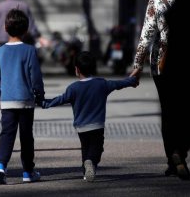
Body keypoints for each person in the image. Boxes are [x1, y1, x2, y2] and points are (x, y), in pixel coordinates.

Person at [129, 0, 190, 180]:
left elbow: (146, 36)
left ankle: (173, 157)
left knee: (168, 110)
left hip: (162, 64)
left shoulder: (158, 0)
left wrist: (137, 66)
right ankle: (180, 153)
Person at [41, 51, 137, 181]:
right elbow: (119, 84)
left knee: (85, 148)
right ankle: (90, 163)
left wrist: (45, 103)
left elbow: (60, 99)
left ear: (77, 70)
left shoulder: (73, 88)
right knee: (97, 148)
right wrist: (132, 81)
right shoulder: (102, 83)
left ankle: (86, 172)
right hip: (97, 125)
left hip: (81, 127)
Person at [0, 8, 45, 185]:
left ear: (5, 28)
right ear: (26, 29)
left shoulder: (0, 51)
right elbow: (35, 76)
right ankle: (28, 171)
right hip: (25, 100)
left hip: (7, 100)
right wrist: (40, 94)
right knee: (26, 136)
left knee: (6, 134)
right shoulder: (29, 51)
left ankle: (0, 166)